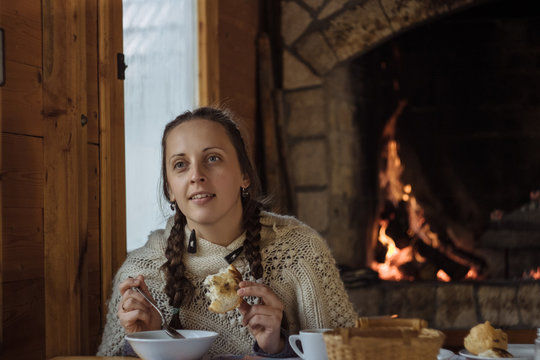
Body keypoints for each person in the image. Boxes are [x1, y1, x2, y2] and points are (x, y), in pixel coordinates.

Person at [97, 107, 358, 357]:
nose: (196, 175)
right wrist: (147, 340)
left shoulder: (301, 251)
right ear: (169, 189)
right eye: (180, 164)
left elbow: (351, 355)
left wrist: (276, 348)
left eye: (212, 158)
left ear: (244, 175)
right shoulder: (141, 274)